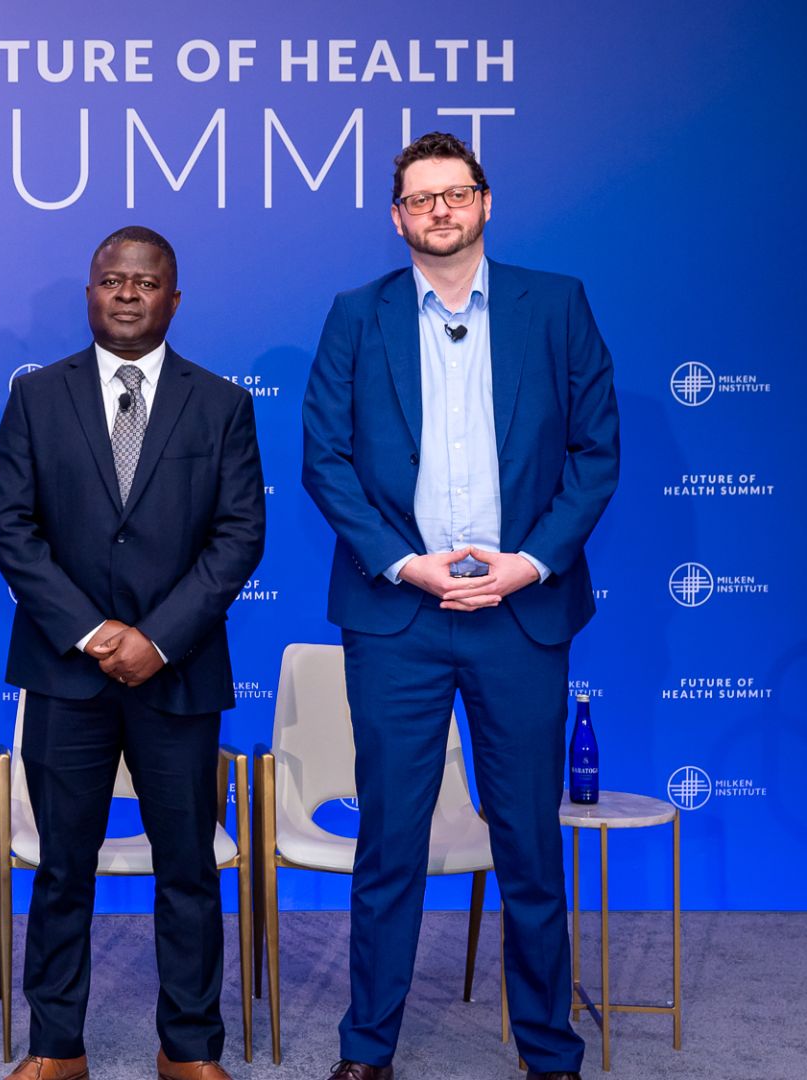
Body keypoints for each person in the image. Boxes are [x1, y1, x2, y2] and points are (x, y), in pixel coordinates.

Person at [299, 132, 620, 1080]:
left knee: (527, 842)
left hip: (521, 614)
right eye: (421, 197)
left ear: (486, 204)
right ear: (397, 217)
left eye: (457, 192)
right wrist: (407, 564)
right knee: (389, 842)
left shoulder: (554, 305)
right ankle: (369, 1051)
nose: (440, 209)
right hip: (398, 615)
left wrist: (529, 564)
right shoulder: (355, 316)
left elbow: (596, 453)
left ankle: (549, 1052)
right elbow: (327, 461)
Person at [0, 226, 265, 1080]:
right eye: (113, 280)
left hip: (179, 677)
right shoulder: (36, 397)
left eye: (147, 282)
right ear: (90, 293)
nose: (129, 293)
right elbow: (9, 527)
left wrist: (157, 639)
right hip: (66, 674)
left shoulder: (221, 403)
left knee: (186, 869)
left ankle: (189, 1050)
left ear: (174, 300)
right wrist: (101, 634)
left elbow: (240, 534)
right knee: (63, 867)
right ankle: (56, 1047)